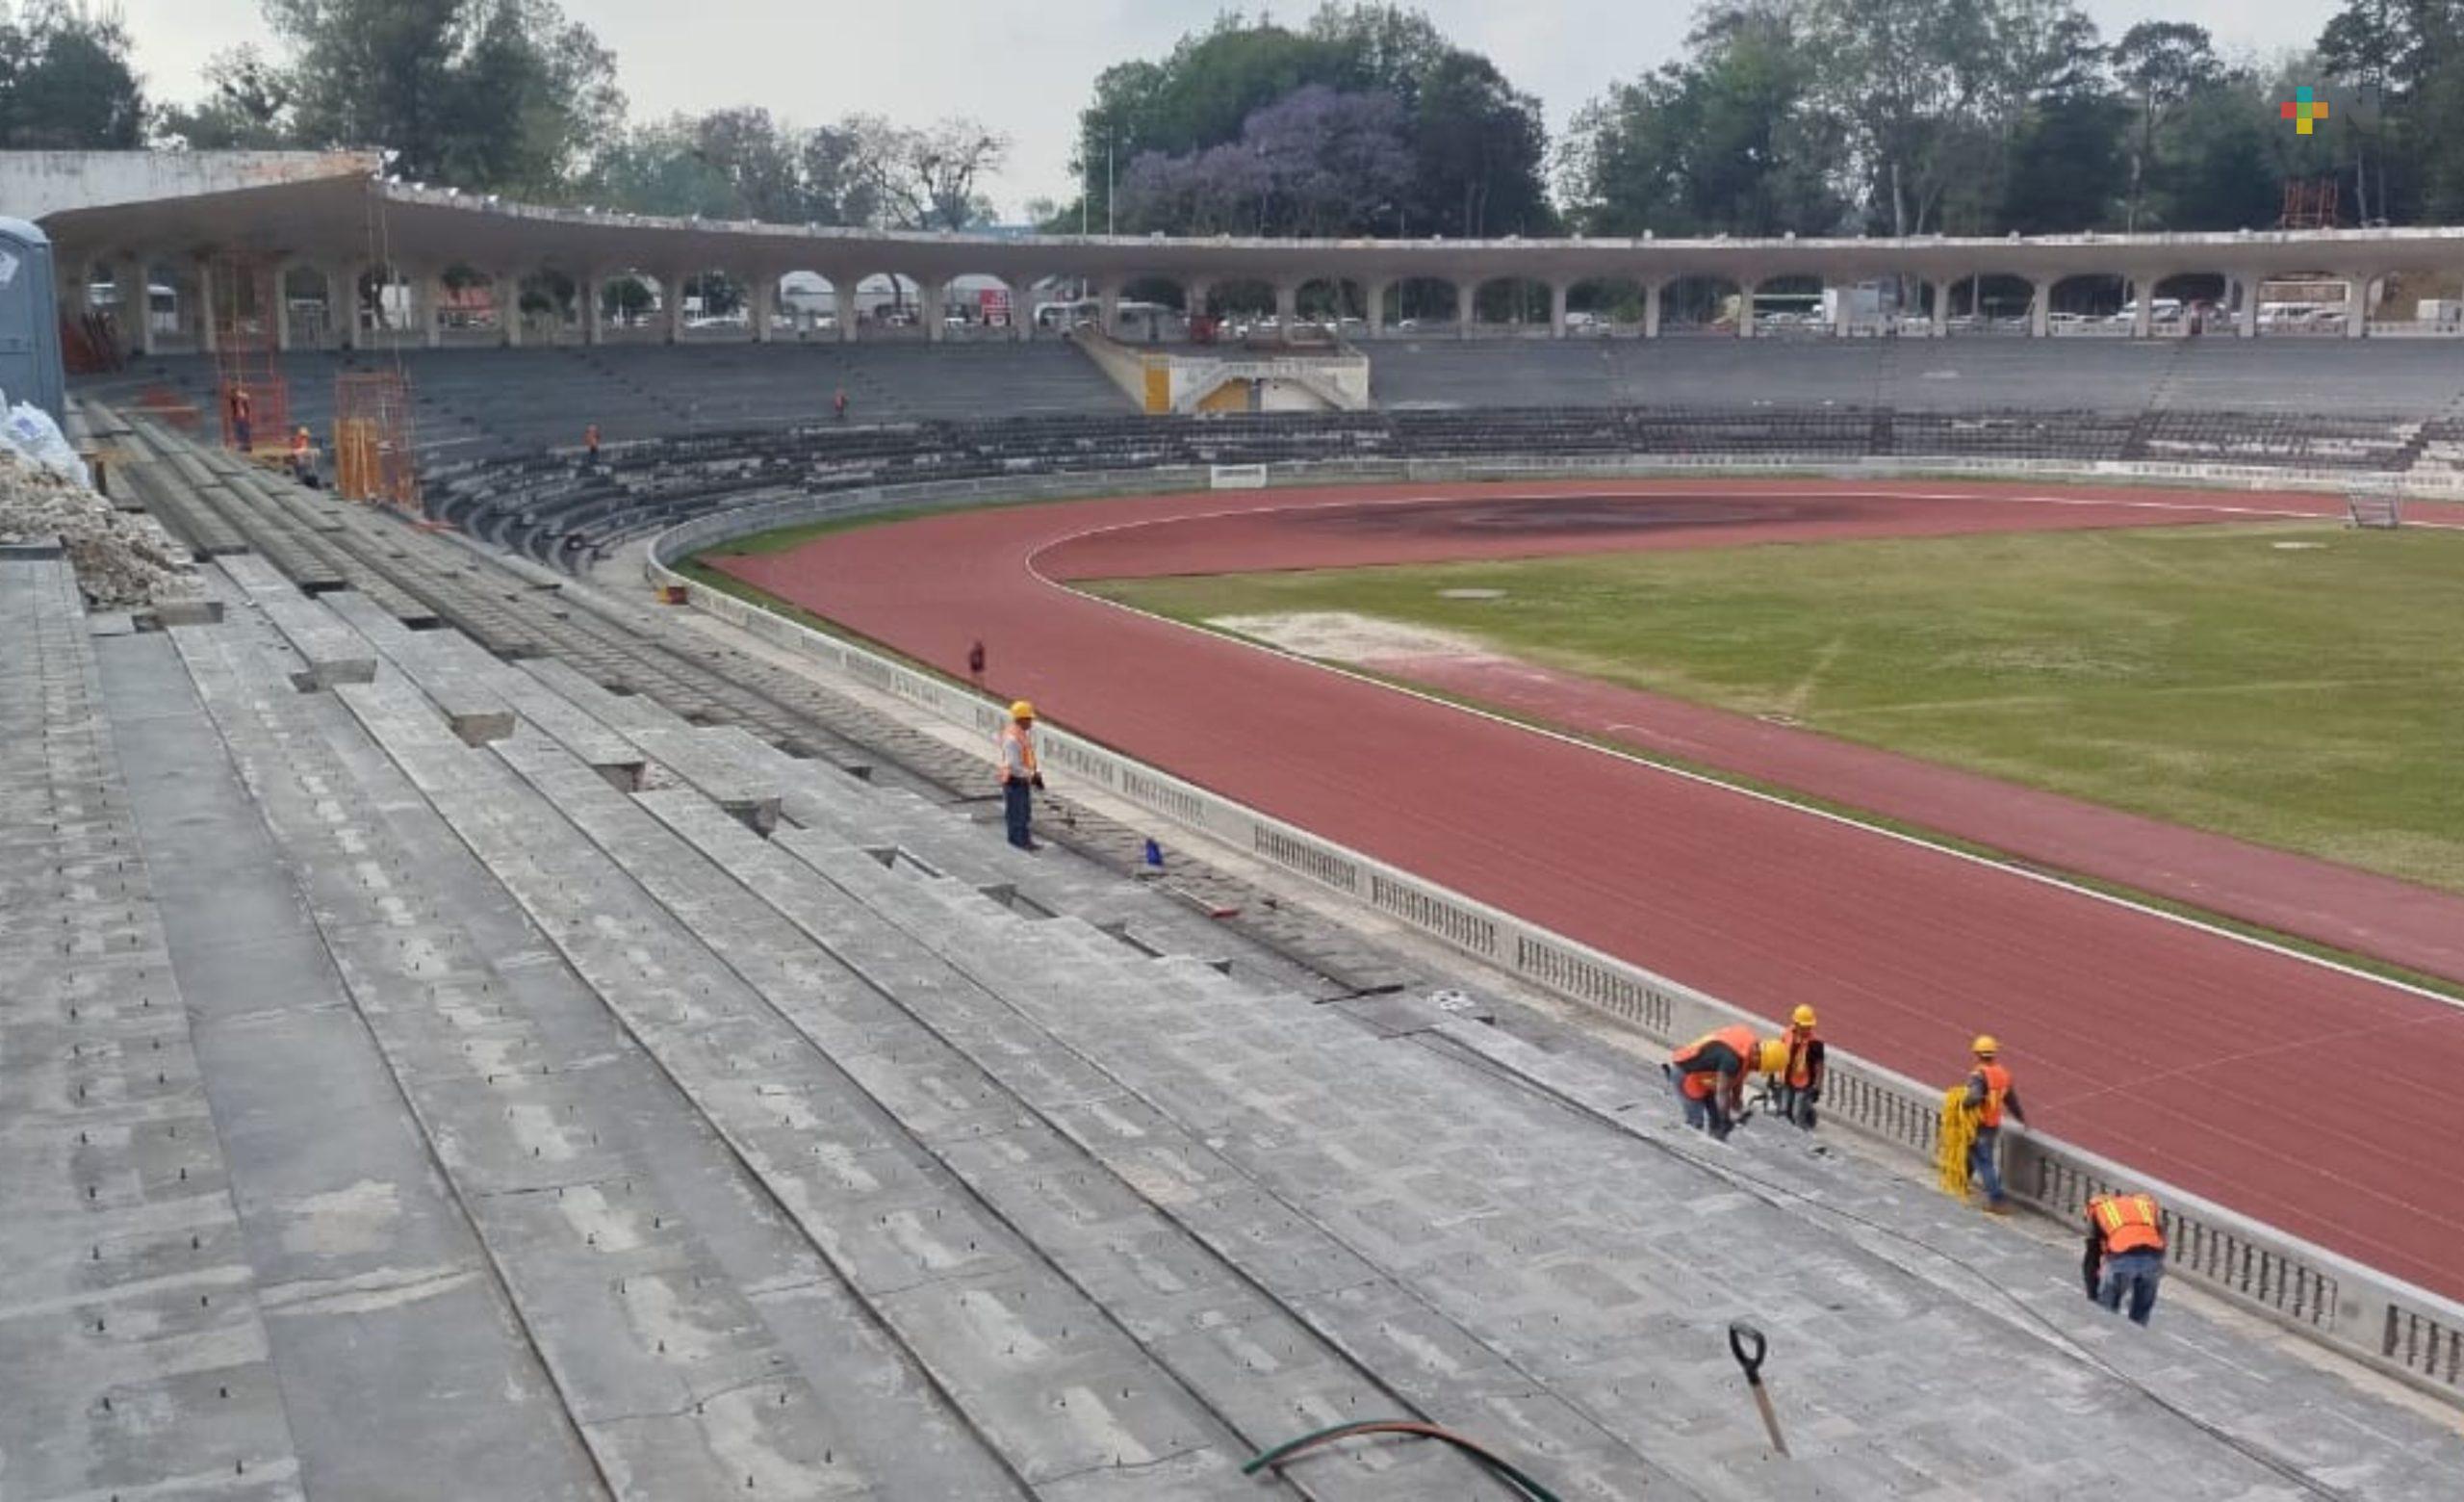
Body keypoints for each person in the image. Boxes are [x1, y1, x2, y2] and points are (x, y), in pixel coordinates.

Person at [1667, 1024, 1788, 1142]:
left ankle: (1715, 1139)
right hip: (1687, 1074)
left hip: (1707, 1079)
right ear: (1758, 1056)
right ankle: (1680, 1145)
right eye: (1759, 1067)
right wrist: (1725, 1119)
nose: (1756, 1070)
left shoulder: (1747, 1045)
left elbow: (1738, 1074)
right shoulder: (1731, 1059)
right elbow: (1722, 1092)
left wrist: (1737, 1102)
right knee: (1695, 1124)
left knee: (1717, 1125)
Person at [2082, 1189, 2168, 1326]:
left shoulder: (2097, 1211)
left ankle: (2104, 1338)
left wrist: (2092, 1295)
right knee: (2140, 1315)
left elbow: (2092, 1258)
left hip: (2121, 1258)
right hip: (2153, 1256)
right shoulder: (2144, 1205)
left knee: (2106, 1312)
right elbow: (2162, 1237)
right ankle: (2137, 1337)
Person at [1964, 1035, 2027, 1213]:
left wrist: (1963, 1103)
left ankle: (1997, 1200)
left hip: (1978, 1123)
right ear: (1994, 1053)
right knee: (1972, 1153)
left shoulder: (1978, 1075)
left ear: (1977, 1053)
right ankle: (1962, 1180)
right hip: (1992, 1124)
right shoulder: (2003, 1074)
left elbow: (1974, 1096)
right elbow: (2011, 1100)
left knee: (1984, 1162)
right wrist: (2021, 1118)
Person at [998, 699, 1043, 851]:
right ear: (1021, 719)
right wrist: (1032, 775)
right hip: (1014, 781)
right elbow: (1014, 765)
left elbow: (1026, 758)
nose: (1031, 722)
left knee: (1024, 813)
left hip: (1021, 780)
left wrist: (1034, 774)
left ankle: (1025, 840)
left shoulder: (1020, 733)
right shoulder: (1012, 739)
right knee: (1017, 814)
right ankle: (1018, 843)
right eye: (1029, 719)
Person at [1772, 1004, 1826, 1128]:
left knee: (1797, 1113)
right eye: (1804, 1026)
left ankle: (1802, 1134)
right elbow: (1779, 1052)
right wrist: (1773, 1072)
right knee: (1784, 1109)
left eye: (1809, 1027)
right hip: (1787, 1079)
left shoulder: (1816, 1043)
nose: (1807, 1029)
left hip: (1804, 1084)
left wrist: (1817, 1087)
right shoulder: (1787, 1034)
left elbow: (1819, 1066)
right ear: (1796, 1024)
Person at [228, 387, 253, 453]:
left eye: (235, 393)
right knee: (239, 433)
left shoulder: (243, 399)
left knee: (246, 433)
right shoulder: (233, 400)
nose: (234, 395)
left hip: (244, 418)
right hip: (237, 418)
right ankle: (241, 446)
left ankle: (248, 447)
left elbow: (247, 397)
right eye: (233, 394)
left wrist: (241, 395)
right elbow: (231, 398)